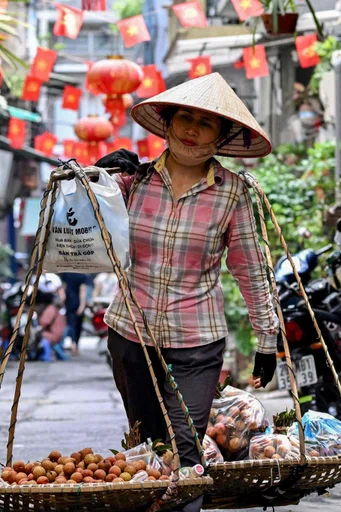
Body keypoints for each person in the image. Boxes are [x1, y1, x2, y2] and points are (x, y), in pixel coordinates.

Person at [97, 72, 278, 512]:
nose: (192, 130)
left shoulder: (233, 193)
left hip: (196, 343)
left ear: (222, 136)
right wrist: (95, 174)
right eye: (185, 118)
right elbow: (72, 218)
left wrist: (267, 339)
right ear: (169, 122)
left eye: (207, 123)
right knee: (149, 448)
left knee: (185, 448)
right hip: (131, 337)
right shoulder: (131, 181)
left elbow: (251, 267)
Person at [36, 273, 69, 361]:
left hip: (54, 335)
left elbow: (44, 323)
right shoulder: (57, 310)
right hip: (60, 333)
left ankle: (46, 357)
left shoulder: (50, 309)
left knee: (39, 336)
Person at [59, 272, 92, 353]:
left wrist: (63, 302)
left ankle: (73, 343)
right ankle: (75, 344)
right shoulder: (82, 275)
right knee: (78, 325)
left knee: (71, 324)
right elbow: (82, 291)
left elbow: (63, 288)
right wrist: (82, 305)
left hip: (69, 302)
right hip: (78, 303)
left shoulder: (66, 274)